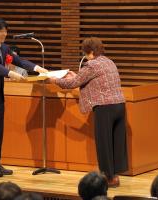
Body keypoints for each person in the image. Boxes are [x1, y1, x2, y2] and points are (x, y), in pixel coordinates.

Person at [49, 37, 128, 187]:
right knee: (116, 142)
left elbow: (73, 84)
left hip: (105, 108)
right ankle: (115, 176)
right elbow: (88, 80)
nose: (85, 56)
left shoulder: (91, 65)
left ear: (90, 51)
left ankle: (108, 178)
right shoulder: (108, 61)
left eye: (85, 53)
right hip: (119, 105)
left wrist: (54, 80)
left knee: (104, 143)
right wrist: (76, 76)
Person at [0, 18, 48, 177]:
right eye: (2, 32)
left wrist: (37, 68)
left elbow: (19, 61)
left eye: (6, 31)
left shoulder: (4, 47)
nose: (5, 34)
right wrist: (10, 73)